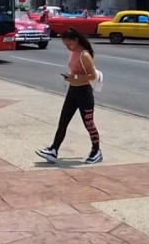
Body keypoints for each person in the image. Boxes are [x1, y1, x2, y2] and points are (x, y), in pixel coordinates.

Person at [36, 27, 103, 165]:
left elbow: (92, 76)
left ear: (76, 41)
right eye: (65, 45)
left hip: (84, 93)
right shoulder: (73, 52)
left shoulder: (84, 54)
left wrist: (76, 77)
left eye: (69, 44)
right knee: (63, 121)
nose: (68, 48)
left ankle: (96, 151)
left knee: (89, 124)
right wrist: (71, 78)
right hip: (73, 91)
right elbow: (75, 71)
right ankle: (53, 149)